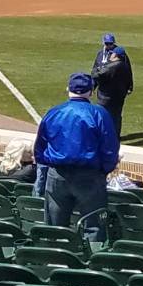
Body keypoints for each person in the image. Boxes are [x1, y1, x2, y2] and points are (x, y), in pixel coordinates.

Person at [33, 73, 121, 242]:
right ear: (91, 92)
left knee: (54, 227)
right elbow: (110, 147)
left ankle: (55, 261)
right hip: (90, 176)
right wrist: (103, 170)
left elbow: (40, 146)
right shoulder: (99, 113)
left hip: (58, 174)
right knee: (94, 226)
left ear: (68, 89)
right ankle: (91, 264)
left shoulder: (54, 112)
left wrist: (48, 164)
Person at [92, 33, 135, 139]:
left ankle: (109, 136)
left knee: (107, 114)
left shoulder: (120, 54)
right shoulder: (100, 54)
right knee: (113, 115)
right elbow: (95, 67)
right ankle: (111, 135)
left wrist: (130, 86)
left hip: (109, 93)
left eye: (110, 44)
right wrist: (93, 86)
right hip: (108, 91)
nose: (108, 46)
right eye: (106, 43)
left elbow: (128, 71)